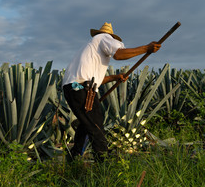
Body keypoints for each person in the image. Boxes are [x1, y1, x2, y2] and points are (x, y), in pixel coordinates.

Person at [62, 22, 161, 162]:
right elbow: (119, 55)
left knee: (87, 124)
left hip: (73, 87)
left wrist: (115, 77)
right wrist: (146, 48)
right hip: (81, 88)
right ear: (110, 37)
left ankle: (73, 159)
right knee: (96, 127)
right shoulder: (103, 38)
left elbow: (95, 79)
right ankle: (104, 166)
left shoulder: (91, 50)